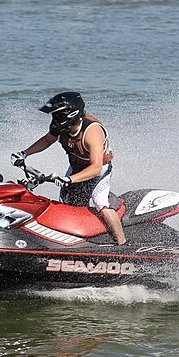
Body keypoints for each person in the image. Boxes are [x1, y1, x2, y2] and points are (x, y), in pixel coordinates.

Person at [11, 92, 127, 245]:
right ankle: (75, 241)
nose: (54, 121)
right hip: (76, 168)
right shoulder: (62, 129)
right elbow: (46, 141)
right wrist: (24, 154)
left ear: (70, 115)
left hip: (98, 171)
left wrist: (69, 179)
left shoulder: (91, 132)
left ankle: (122, 243)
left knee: (100, 202)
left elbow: (96, 168)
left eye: (57, 116)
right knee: (66, 205)